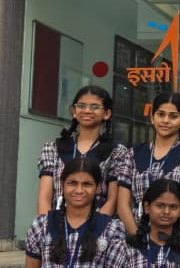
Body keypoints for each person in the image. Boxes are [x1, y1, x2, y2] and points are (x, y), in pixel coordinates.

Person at [115, 91, 180, 238]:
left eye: (173, 116)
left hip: (175, 239)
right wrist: (138, 237)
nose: (166, 120)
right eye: (161, 114)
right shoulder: (132, 154)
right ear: (152, 117)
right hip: (137, 237)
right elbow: (122, 205)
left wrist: (161, 236)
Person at [36, 85, 120, 216]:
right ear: (74, 111)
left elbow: (113, 200)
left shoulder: (116, 152)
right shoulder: (52, 148)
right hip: (57, 224)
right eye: (81, 106)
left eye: (94, 107)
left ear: (106, 113)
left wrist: (96, 226)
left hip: (98, 224)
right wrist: (47, 225)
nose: (87, 110)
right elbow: (44, 198)